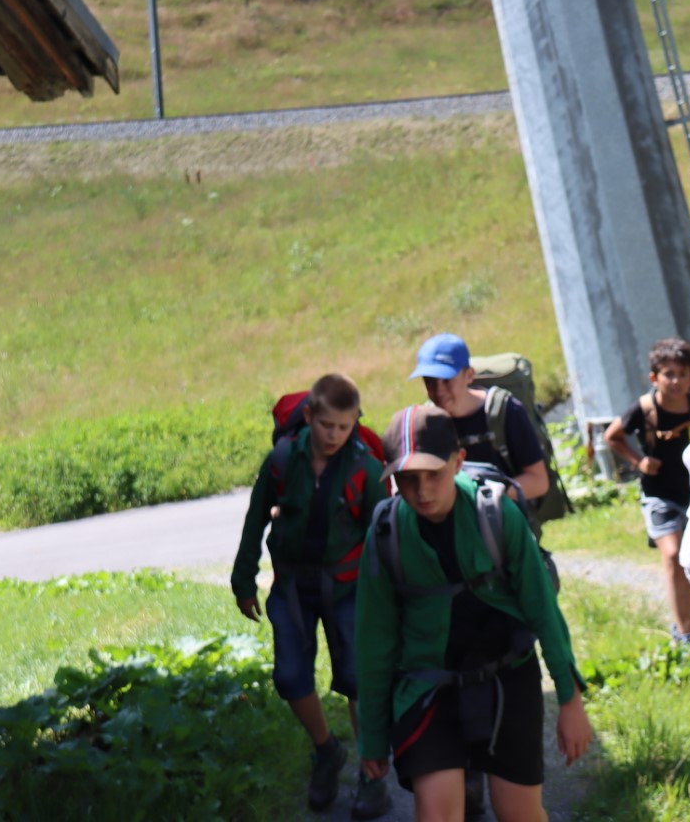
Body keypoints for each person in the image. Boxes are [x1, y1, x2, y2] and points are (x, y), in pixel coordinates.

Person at [356, 405, 592, 822]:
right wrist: (373, 737)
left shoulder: (496, 513)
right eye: (407, 479)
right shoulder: (385, 532)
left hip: (507, 675)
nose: (422, 491)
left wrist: (570, 700)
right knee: (437, 815)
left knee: (518, 813)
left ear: (458, 462)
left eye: (433, 474)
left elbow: (542, 609)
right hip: (427, 684)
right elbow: (374, 639)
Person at [231, 373, 389, 814]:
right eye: (326, 425)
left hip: (349, 590)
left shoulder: (365, 470)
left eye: (344, 427)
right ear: (309, 417)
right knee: (290, 678)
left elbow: (384, 536)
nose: (334, 435)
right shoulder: (282, 460)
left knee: (358, 680)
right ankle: (326, 750)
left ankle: (372, 773)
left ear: (354, 422)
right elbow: (255, 518)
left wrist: (389, 599)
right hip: (293, 588)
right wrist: (243, 579)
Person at [603, 337, 690, 645]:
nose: (676, 381)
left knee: (688, 560)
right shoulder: (644, 409)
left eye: (682, 374)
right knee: (673, 555)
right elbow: (612, 436)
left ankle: (684, 623)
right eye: (668, 374)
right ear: (654, 377)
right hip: (659, 494)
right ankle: (684, 633)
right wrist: (639, 461)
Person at [407, 332, 550, 510]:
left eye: (447, 380)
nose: (438, 390)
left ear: (469, 375)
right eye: (429, 381)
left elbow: (538, 481)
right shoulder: (426, 422)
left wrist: (484, 499)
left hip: (507, 519)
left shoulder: (505, 411)